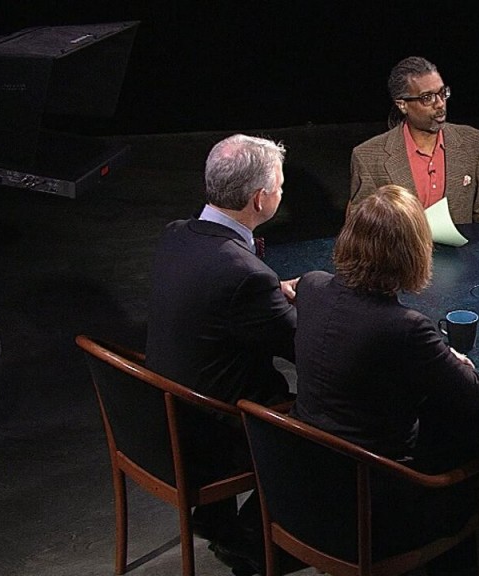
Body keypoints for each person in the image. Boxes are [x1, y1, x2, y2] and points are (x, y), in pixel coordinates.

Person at [290, 184, 479, 557]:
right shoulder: (407, 327)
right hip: (378, 504)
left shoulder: (312, 287)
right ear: (413, 252)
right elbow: (475, 394)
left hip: (303, 486)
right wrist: (457, 360)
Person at [145, 133, 299, 575]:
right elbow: (304, 348)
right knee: (331, 414)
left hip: (162, 417)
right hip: (215, 434)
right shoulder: (244, 275)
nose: (282, 192)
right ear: (259, 199)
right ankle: (254, 542)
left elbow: (216, 303)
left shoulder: (177, 235)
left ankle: (216, 518)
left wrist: (272, 293)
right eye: (281, 186)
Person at [349, 56, 479, 224]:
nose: (440, 104)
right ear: (402, 105)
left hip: (464, 250)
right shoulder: (368, 157)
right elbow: (361, 227)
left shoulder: (473, 142)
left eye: (442, 93)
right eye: (427, 98)